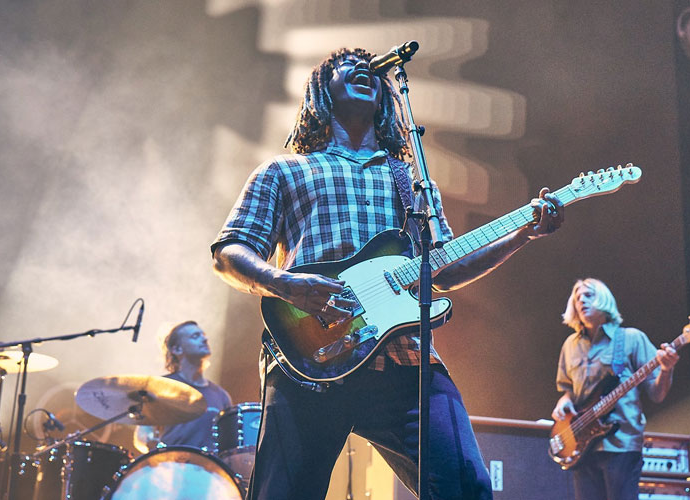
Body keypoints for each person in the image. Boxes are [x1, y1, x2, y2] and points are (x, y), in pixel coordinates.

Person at [211, 47, 564, 500]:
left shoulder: (411, 181)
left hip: (404, 359)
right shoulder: (284, 171)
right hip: (309, 357)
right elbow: (228, 252)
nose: (363, 67)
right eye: (346, 64)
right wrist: (285, 283)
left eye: (372, 68)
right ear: (321, 91)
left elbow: (446, 268)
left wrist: (522, 235)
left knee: (466, 487)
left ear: (387, 96)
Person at [552, 278, 680, 500]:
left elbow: (657, 394)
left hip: (621, 444)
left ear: (603, 299)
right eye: (577, 297)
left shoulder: (631, 338)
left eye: (588, 295)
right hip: (581, 447)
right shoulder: (570, 345)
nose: (581, 299)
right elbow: (568, 391)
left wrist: (666, 370)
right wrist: (563, 401)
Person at [133, 320, 233, 453]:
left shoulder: (221, 396)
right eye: (195, 336)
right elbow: (142, 435)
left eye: (204, 335)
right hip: (171, 467)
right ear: (177, 349)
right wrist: (151, 442)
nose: (205, 339)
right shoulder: (161, 387)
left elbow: (229, 445)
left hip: (210, 470)